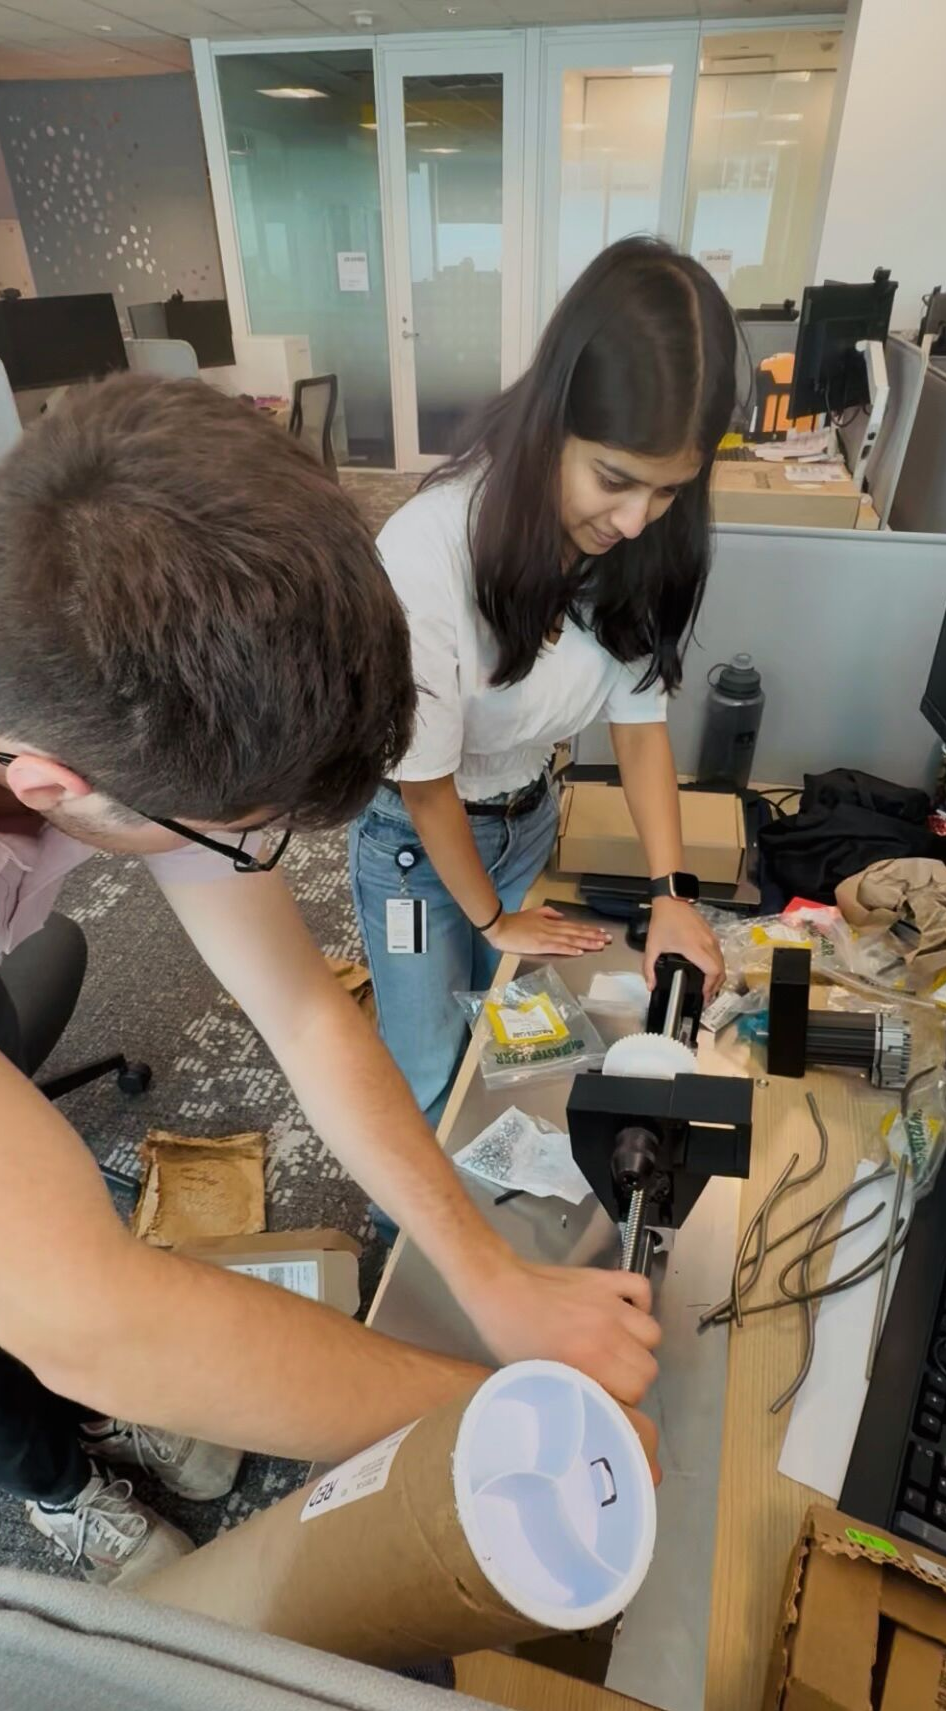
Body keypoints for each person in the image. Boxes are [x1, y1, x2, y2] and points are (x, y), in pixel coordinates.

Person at [0, 376, 660, 1585]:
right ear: (54, 783)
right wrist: (507, 1420)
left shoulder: (63, 600)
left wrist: (493, 1279)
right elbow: (89, 1315)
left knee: (11, 1171)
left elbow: (305, 1010)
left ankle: (122, 1411)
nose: (259, 862)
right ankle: (58, 1485)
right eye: (246, 835)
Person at [350, 239, 735, 1141]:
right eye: (615, 479)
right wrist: (491, 916)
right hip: (415, 846)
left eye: (668, 491)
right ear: (553, 419)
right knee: (427, 1068)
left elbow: (639, 726)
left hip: (528, 821)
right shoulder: (427, 551)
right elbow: (425, 782)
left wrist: (672, 893)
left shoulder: (637, 544)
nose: (635, 520)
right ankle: (399, 1221)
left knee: (517, 1057)